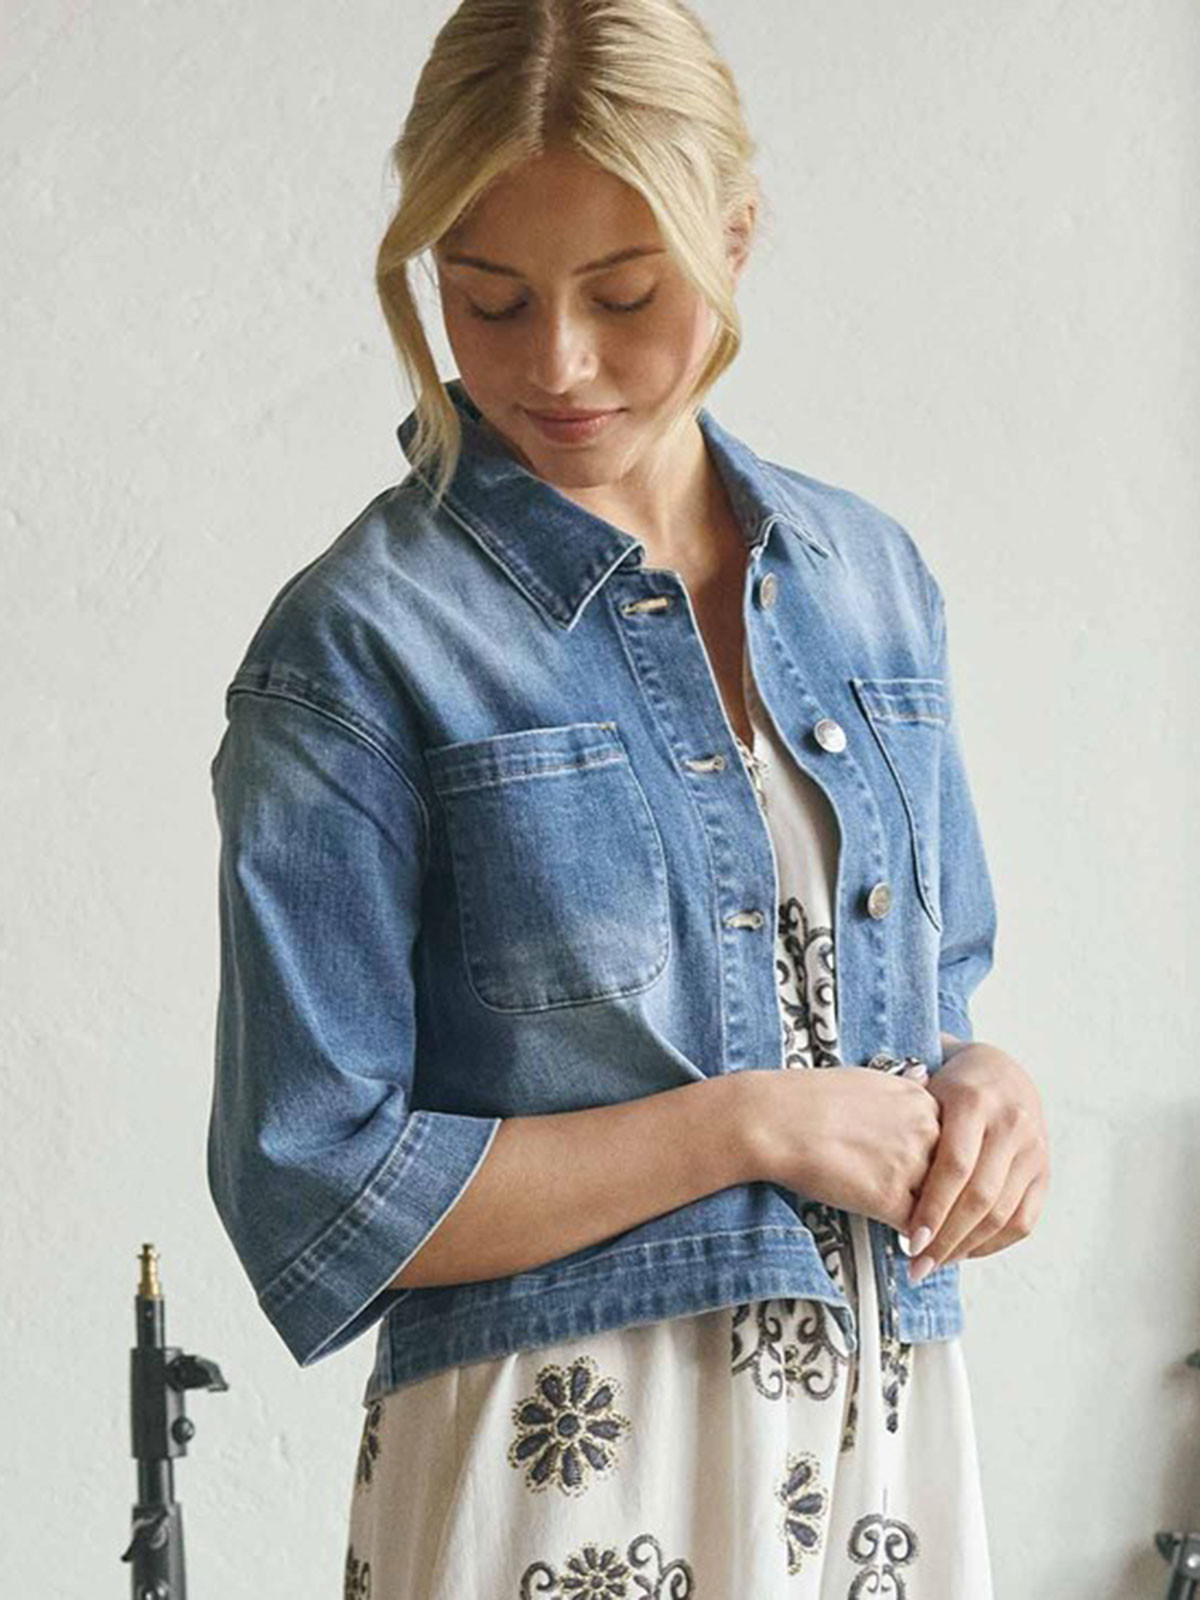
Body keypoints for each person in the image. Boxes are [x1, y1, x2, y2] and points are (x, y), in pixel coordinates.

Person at [206, 2, 1050, 1595]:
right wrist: (741, 1129)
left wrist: (983, 1088)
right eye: (490, 297)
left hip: (884, 1438)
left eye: (624, 293)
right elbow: (317, 1188)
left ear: (733, 238)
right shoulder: (361, 644)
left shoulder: (870, 581)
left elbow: (918, 1015)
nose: (558, 364)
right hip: (566, 1464)